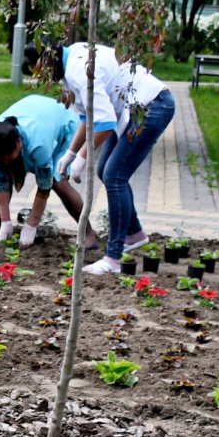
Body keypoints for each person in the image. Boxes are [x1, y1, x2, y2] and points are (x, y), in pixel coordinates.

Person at [58, 42, 175, 275]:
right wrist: (70, 153)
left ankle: (113, 259)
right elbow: (87, 116)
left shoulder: (78, 70)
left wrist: (82, 158)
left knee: (115, 176)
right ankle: (134, 233)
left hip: (151, 105)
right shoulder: (74, 55)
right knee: (106, 171)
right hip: (133, 108)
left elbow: (104, 123)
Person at [0, 93, 82, 246]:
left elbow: (44, 186)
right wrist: (6, 221)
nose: (4, 159)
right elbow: (0, 181)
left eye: (8, 155)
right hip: (35, 112)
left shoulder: (38, 145)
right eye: (1, 156)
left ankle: (88, 234)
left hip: (64, 127)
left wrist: (31, 225)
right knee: (4, 173)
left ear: (19, 142)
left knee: (57, 180)